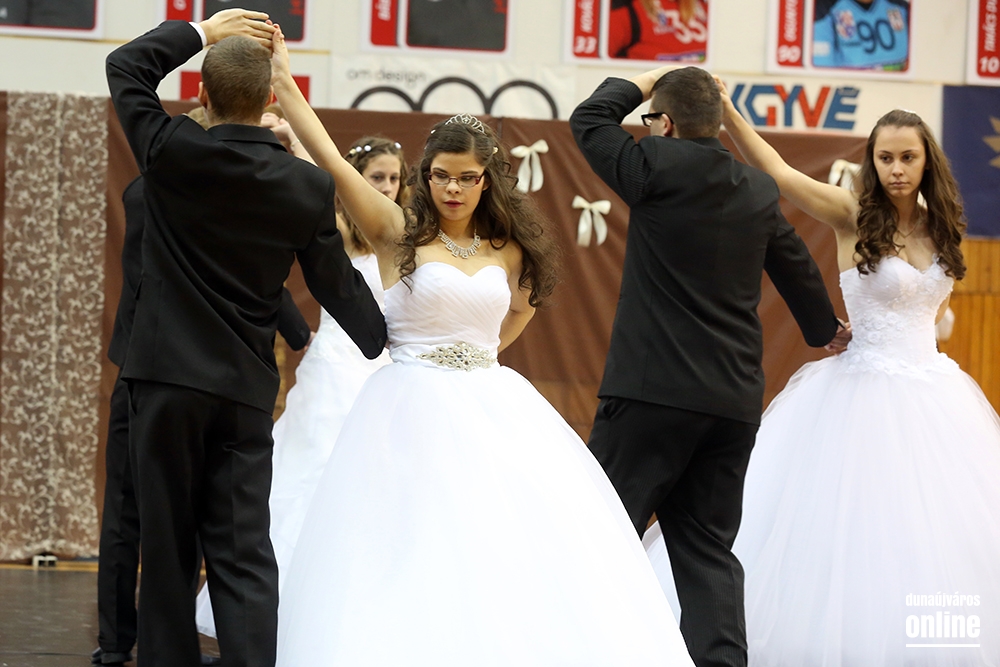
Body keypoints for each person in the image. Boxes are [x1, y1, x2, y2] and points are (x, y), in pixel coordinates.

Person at [267, 25, 695, 665]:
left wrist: (483, 354)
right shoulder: (396, 230)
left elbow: (520, 308)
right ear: (426, 176)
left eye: (466, 178)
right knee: (410, 537)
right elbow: (329, 159)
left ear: (487, 181)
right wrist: (283, 80)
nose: (453, 189)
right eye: (441, 176)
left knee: (500, 539)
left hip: (493, 401)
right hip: (406, 405)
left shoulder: (509, 247)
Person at [105, 11, 386, 667]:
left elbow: (125, 66)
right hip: (242, 392)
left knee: (168, 549)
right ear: (268, 101)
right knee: (243, 551)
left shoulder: (169, 149)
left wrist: (201, 30)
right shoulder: (305, 184)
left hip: (164, 383)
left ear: (202, 93)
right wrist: (388, 340)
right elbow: (337, 284)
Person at [570, 65, 846, 667]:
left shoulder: (652, 166)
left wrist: (645, 79)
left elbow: (589, 117)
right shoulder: (755, 189)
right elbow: (795, 262)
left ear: (665, 123)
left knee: (600, 532)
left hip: (649, 396)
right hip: (731, 403)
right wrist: (824, 330)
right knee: (708, 551)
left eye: (651, 119)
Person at [713, 87, 1000, 664]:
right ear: (872, 160)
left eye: (908, 157)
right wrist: (731, 117)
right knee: (854, 527)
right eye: (885, 157)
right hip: (861, 395)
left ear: (927, 161)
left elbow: (933, 308)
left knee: (936, 533)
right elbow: (779, 173)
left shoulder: (942, 226)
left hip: (936, 397)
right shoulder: (852, 214)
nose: (896, 169)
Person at [92, 107, 312, 667]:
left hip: (158, 367)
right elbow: (233, 272)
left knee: (148, 515)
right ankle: (124, 641)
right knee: (147, 516)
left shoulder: (163, 189)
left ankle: (126, 643)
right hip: (160, 367)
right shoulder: (169, 193)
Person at [193, 135, 406, 638]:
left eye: (395, 178)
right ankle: (283, 606)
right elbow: (320, 181)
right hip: (333, 369)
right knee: (312, 470)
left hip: (384, 371)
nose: (386, 187)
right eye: (376, 177)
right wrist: (295, 138)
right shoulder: (339, 227)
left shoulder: (400, 233)